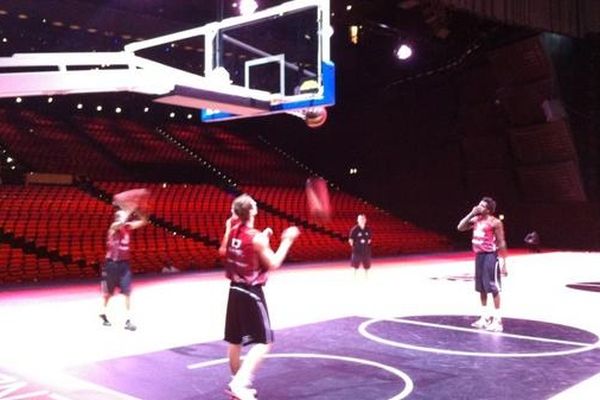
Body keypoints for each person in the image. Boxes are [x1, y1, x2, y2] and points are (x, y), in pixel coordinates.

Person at [220, 194, 300, 400]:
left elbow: (224, 250)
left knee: (235, 341)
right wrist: (287, 240)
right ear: (253, 211)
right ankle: (239, 384)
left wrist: (261, 238)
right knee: (265, 341)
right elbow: (273, 263)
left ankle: (236, 385)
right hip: (250, 291)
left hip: (234, 290)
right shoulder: (256, 238)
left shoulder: (235, 232)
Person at [457, 196, 508, 332]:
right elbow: (460, 227)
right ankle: (484, 318)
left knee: (493, 287)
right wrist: (471, 213)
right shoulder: (475, 220)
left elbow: (501, 242)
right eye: (479, 204)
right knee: (481, 288)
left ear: (489, 209)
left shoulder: (495, 222)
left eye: (482, 206)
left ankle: (497, 321)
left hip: (490, 256)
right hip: (479, 256)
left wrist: (504, 262)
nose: (479, 207)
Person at [99, 208, 148, 331]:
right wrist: (127, 214)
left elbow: (144, 221)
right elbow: (119, 224)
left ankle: (128, 321)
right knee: (109, 294)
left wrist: (138, 210)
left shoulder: (127, 227)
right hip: (111, 265)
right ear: (117, 218)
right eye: (119, 217)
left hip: (124, 265)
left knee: (127, 292)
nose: (122, 219)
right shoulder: (113, 227)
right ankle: (103, 313)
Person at [349, 214, 372, 278]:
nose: (362, 220)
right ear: (357, 220)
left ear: (365, 220)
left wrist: (366, 246)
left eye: (363, 219)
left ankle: (366, 278)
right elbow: (351, 240)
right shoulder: (354, 229)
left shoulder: (368, 229)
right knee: (355, 266)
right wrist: (355, 246)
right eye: (360, 219)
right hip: (357, 251)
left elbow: (369, 240)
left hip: (366, 251)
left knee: (367, 266)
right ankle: (354, 278)